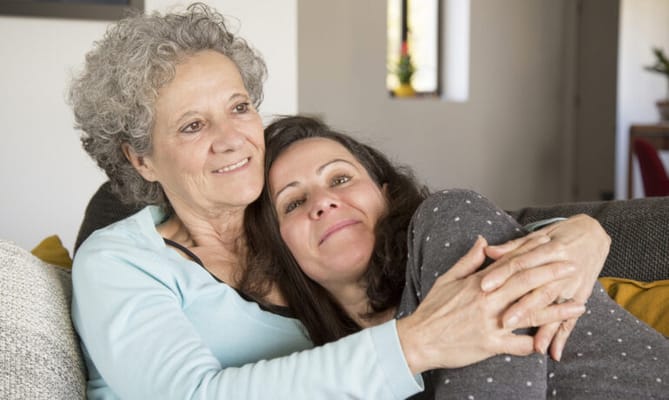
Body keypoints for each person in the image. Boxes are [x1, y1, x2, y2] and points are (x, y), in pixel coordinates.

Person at [70, 4, 609, 399]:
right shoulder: (120, 261)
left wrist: (580, 233)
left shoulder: (289, 228)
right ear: (140, 159)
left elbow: (445, 236)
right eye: (192, 125)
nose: (231, 138)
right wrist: (416, 344)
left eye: (238, 107)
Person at [252, 115, 669, 399]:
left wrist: (586, 229)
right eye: (293, 202)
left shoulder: (448, 218)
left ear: (384, 191)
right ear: (278, 248)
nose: (324, 202)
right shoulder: (349, 367)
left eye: (340, 178)